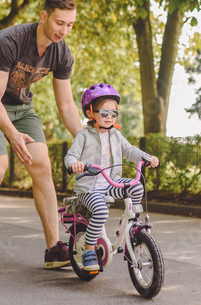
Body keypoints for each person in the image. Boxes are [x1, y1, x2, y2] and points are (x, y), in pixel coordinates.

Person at [0, 0, 83, 275]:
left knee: (42, 164)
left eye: (70, 25)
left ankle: (54, 248)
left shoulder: (62, 53)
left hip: (21, 106)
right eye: (59, 23)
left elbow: (66, 105)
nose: (63, 31)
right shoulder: (10, 40)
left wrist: (86, 138)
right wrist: (12, 134)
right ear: (44, 16)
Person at [64, 83, 159, 271]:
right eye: (104, 113)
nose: (110, 117)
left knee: (136, 186)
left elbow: (130, 150)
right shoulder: (84, 136)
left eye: (114, 113)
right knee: (100, 212)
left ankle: (130, 222)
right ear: (90, 113)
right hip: (89, 186)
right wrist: (74, 164)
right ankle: (89, 249)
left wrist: (146, 157)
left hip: (110, 183)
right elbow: (71, 156)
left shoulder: (116, 134)